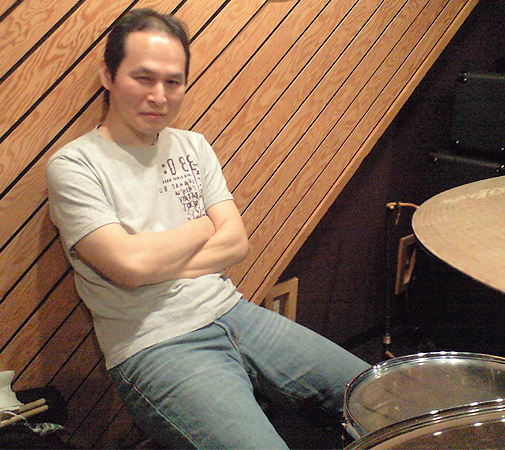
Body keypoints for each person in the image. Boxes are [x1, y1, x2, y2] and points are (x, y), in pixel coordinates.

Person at [46, 8, 369, 449]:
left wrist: (153, 262)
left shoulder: (193, 146)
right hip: (155, 343)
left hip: (235, 312)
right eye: (143, 78)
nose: (159, 96)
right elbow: (129, 266)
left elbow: (235, 244)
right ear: (108, 75)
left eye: (173, 82)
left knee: (383, 395)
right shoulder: (75, 165)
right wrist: (201, 227)